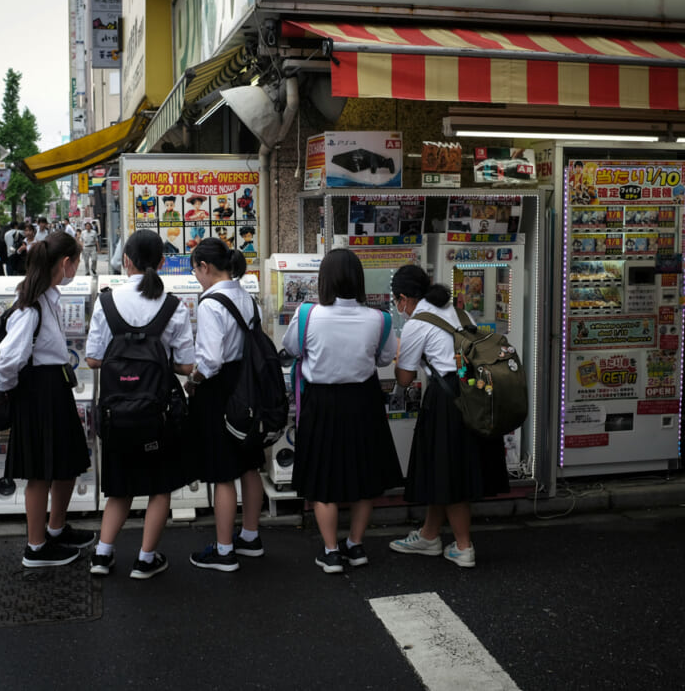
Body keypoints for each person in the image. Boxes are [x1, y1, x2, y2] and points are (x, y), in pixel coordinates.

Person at [281, 249, 402, 574]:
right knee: (365, 475)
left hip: (321, 403)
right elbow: (383, 358)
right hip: (363, 402)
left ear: (324, 280)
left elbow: (292, 348)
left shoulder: (307, 314)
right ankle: (356, 545)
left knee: (323, 478)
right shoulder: (380, 318)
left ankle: (331, 551)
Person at [86, 230, 195, 579]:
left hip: (116, 414)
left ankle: (102, 555)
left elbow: (92, 359)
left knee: (120, 487)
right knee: (158, 487)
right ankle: (145, 560)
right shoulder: (173, 306)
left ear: (126, 261)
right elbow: (187, 365)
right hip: (157, 415)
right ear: (162, 263)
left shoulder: (106, 302)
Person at [387, 264, 509, 569]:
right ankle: (429, 535)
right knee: (442, 468)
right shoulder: (458, 312)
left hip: (448, 399)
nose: (397, 307)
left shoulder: (418, 322)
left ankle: (464, 546)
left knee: (451, 471)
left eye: (396, 301)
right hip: (476, 393)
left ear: (404, 298)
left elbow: (404, 378)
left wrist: (398, 355)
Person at [0, 231, 95, 567]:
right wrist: (12, 392)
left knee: (66, 465)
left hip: (53, 390)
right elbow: (8, 360)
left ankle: (55, 529)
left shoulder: (48, 299)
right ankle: (35, 547)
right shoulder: (32, 307)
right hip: (38, 393)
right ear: (65, 263)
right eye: (77, 262)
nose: (78, 268)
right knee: (40, 473)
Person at [183, 238, 265, 572]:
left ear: (204, 267)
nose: (197, 277)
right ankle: (250, 536)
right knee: (249, 464)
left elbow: (211, 360)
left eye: (196, 270)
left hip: (220, 392)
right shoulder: (247, 297)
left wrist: (194, 380)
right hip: (248, 387)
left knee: (222, 472)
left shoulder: (210, 303)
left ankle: (224, 550)